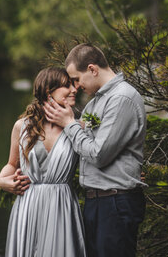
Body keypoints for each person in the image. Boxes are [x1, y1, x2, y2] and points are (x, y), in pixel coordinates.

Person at [44, 43, 146, 257]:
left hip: (115, 202)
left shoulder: (121, 98)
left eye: (76, 79)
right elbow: (81, 142)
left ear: (92, 69)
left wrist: (70, 124)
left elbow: (99, 155)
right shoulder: (95, 103)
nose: (76, 87)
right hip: (98, 202)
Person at [0, 67, 87, 257]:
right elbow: (12, 165)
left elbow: (97, 157)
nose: (74, 89)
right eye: (67, 85)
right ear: (48, 91)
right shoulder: (22, 127)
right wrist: (2, 181)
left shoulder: (79, 127)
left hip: (62, 205)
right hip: (28, 206)